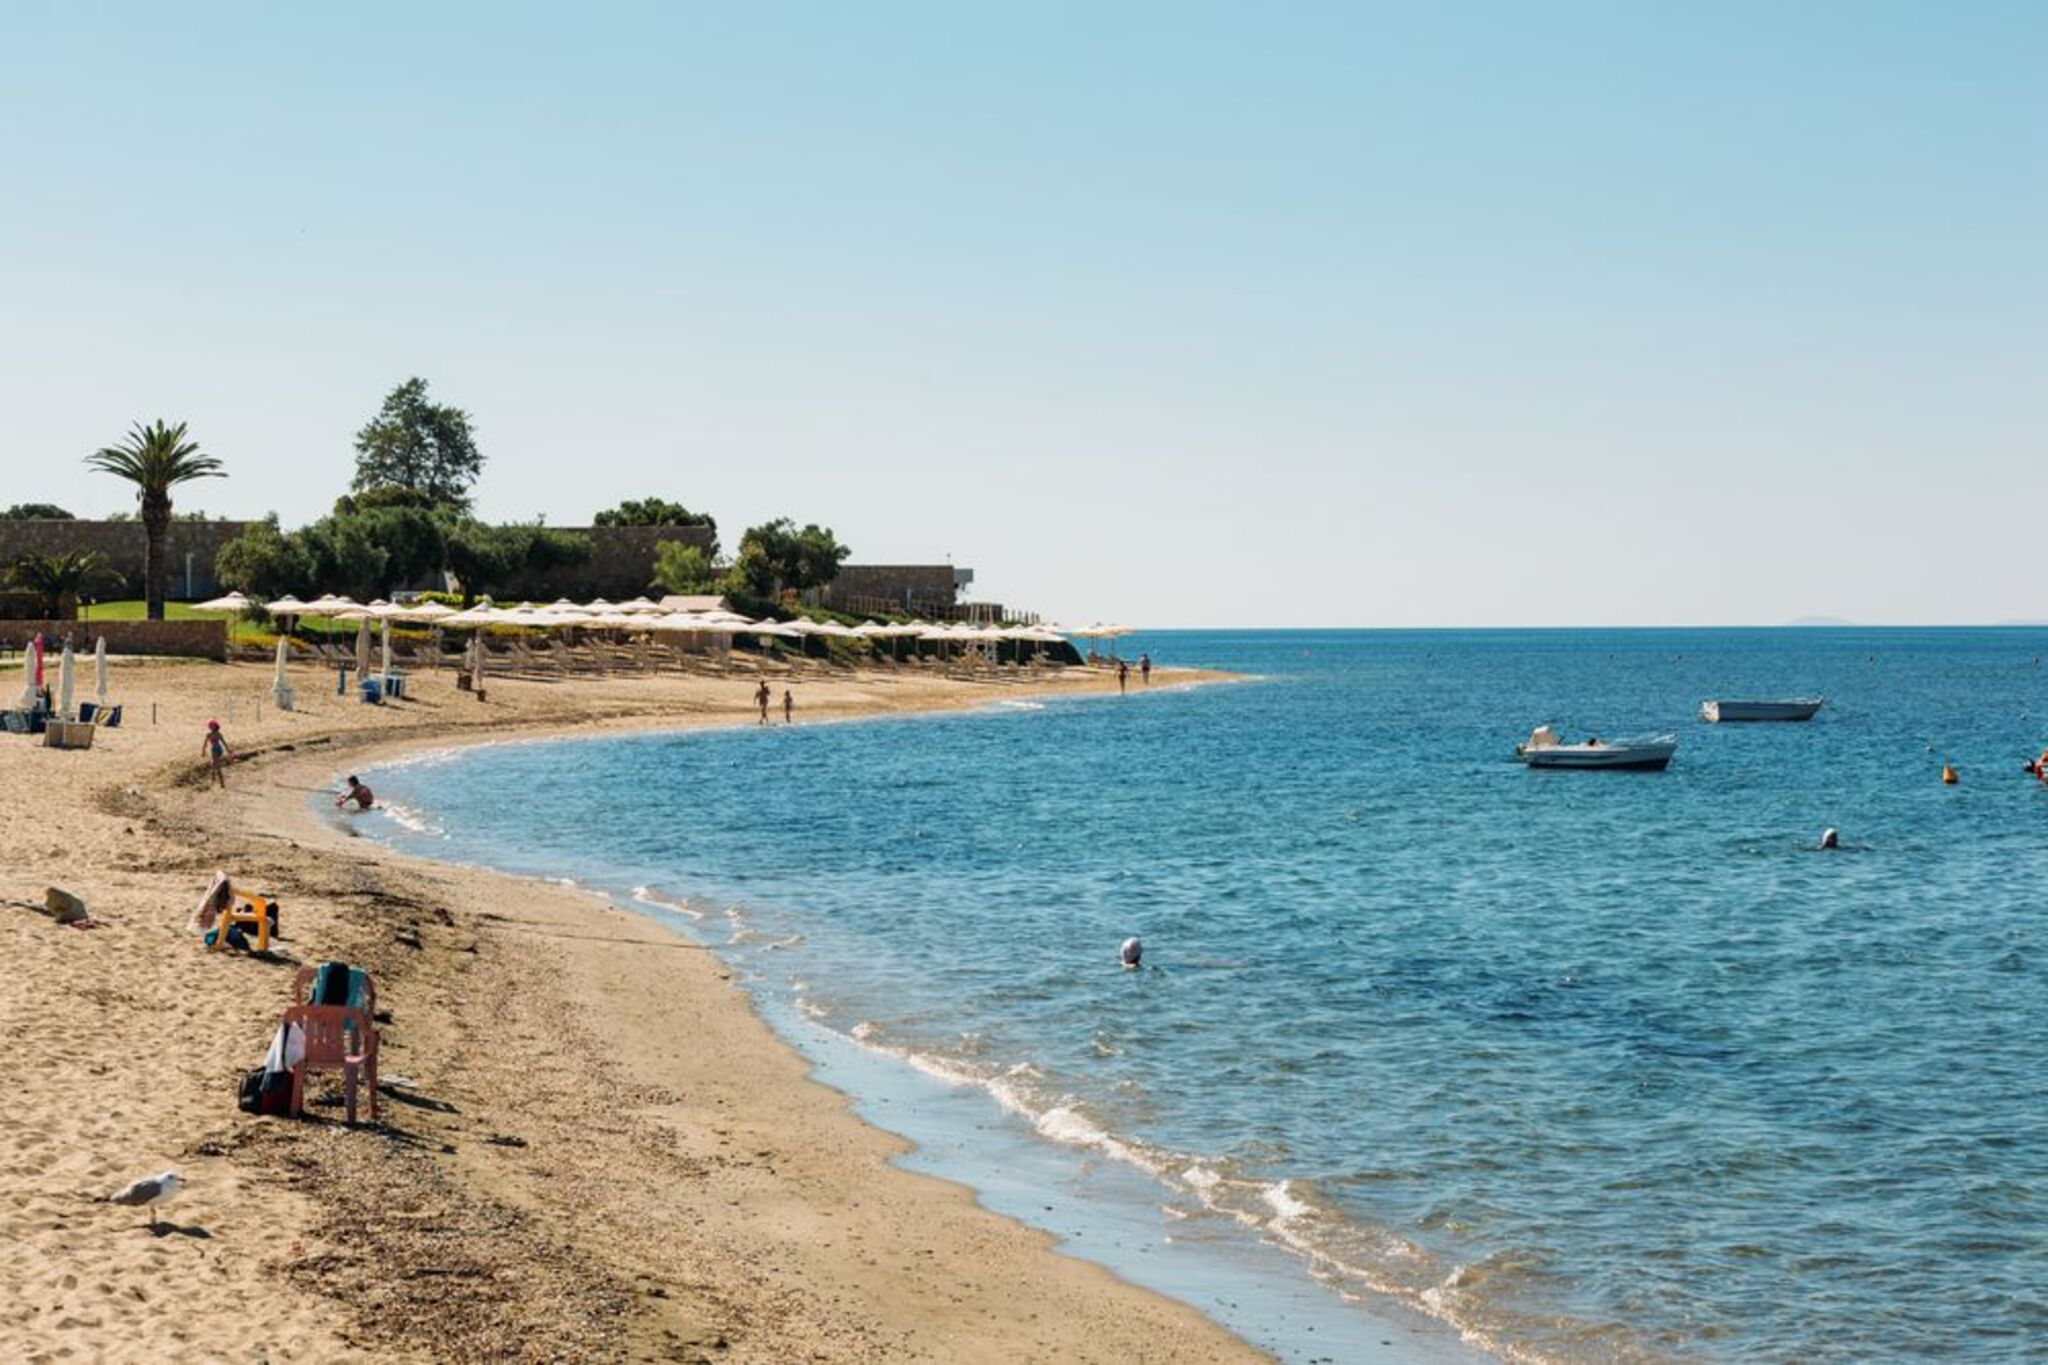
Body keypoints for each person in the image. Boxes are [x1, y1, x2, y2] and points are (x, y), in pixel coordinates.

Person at [201, 720, 234, 788]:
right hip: (213, 750)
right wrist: (203, 751)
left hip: (218, 750)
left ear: (216, 726)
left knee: (216, 765)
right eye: (211, 726)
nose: (212, 727)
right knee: (214, 764)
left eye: (213, 726)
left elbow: (224, 742)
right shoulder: (208, 734)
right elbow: (205, 744)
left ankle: (220, 782)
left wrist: (228, 750)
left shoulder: (218, 734)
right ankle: (215, 779)